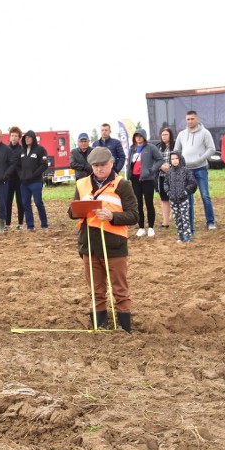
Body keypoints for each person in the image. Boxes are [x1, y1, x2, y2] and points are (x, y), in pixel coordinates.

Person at [67, 147, 138, 332]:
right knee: (96, 291)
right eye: (96, 165)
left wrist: (112, 216)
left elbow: (134, 215)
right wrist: (78, 210)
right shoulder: (81, 184)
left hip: (114, 245)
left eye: (103, 165)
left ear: (111, 163)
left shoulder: (122, 185)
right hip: (89, 244)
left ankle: (124, 327)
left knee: (120, 290)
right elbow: (71, 212)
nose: (99, 169)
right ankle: (100, 325)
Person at [173, 110, 217, 231]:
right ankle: (190, 223)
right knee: (188, 198)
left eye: (192, 119)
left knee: (205, 195)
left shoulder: (205, 133)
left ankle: (210, 221)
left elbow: (211, 149)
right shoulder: (181, 134)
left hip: (201, 169)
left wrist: (200, 159)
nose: (190, 121)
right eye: (188, 119)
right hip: (186, 170)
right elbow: (176, 149)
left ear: (197, 119)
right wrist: (179, 162)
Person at [127, 129, 164, 237]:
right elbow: (129, 163)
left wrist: (152, 170)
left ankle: (151, 227)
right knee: (138, 203)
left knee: (149, 203)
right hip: (135, 179)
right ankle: (141, 227)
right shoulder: (131, 148)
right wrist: (128, 174)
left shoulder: (151, 147)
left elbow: (160, 160)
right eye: (136, 136)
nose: (138, 138)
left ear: (144, 137)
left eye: (140, 136)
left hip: (147, 179)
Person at [163, 151, 197, 243]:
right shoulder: (169, 172)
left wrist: (186, 191)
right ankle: (180, 236)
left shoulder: (186, 171)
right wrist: (168, 192)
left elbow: (192, 183)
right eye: (172, 159)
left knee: (185, 217)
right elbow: (165, 183)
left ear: (180, 159)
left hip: (183, 199)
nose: (174, 161)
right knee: (177, 219)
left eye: (176, 158)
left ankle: (188, 237)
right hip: (173, 199)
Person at [19, 130, 49, 231]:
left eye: (29, 137)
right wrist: (21, 175)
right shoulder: (22, 150)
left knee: (38, 202)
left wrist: (33, 175)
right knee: (26, 204)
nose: (27, 139)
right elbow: (18, 165)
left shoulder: (40, 150)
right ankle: (30, 226)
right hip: (24, 183)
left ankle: (44, 225)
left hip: (35, 182)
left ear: (33, 138)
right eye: (25, 137)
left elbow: (44, 165)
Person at [4, 126, 25, 230]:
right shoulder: (5, 149)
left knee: (20, 202)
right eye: (12, 135)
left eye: (16, 136)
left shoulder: (22, 150)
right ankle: (7, 224)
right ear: (9, 137)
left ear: (19, 138)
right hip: (8, 180)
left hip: (20, 180)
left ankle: (20, 224)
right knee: (8, 202)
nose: (14, 137)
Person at [156, 127, 176, 229]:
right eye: (162, 135)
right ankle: (165, 222)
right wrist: (160, 167)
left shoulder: (176, 146)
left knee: (175, 198)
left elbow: (179, 159)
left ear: (170, 135)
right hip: (162, 176)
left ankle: (178, 220)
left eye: (166, 134)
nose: (164, 137)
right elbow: (155, 160)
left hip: (174, 176)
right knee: (164, 199)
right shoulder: (158, 147)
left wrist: (171, 167)